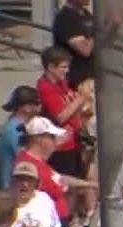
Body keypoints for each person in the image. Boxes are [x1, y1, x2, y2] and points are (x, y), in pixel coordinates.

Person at [35, 46, 89, 182]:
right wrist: (81, 98)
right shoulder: (45, 87)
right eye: (63, 67)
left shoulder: (61, 83)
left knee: (79, 180)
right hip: (61, 147)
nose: (67, 71)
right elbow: (61, 117)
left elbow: (71, 104)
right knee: (66, 185)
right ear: (51, 67)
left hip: (74, 140)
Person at [52, 1, 123, 89]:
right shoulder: (65, 18)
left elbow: (105, 43)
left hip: (91, 79)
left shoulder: (86, 14)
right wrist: (99, 30)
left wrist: (114, 25)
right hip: (75, 81)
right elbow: (85, 50)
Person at [0, 86, 41, 189]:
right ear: (26, 107)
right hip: (11, 186)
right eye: (36, 104)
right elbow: (26, 157)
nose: (39, 107)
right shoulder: (14, 130)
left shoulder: (16, 125)